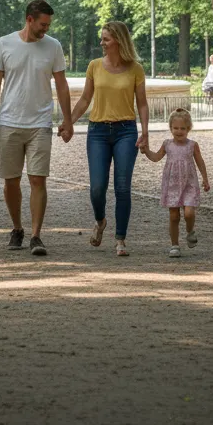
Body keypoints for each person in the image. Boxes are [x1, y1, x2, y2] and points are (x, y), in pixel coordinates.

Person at [0, 0, 72, 256]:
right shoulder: (4, 43)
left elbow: (62, 85)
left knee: (37, 179)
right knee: (11, 182)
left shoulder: (53, 46)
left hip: (40, 123)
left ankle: (35, 235)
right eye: (42, 24)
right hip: (9, 121)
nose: (46, 29)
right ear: (29, 19)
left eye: (48, 25)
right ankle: (17, 228)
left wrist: (67, 120)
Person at [69, 20, 148, 256]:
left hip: (126, 131)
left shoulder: (135, 69)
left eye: (106, 39)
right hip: (98, 132)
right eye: (102, 38)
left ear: (118, 41)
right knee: (97, 187)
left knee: (122, 187)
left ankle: (120, 239)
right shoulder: (94, 66)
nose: (101, 43)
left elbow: (142, 104)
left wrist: (145, 132)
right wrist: (67, 122)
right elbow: (85, 100)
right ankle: (100, 221)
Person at [141, 108, 210, 258]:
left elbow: (200, 162)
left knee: (189, 212)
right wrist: (146, 151)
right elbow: (156, 157)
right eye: (176, 128)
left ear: (188, 129)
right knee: (173, 216)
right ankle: (174, 245)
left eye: (182, 128)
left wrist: (205, 178)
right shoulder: (167, 144)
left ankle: (190, 231)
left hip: (189, 184)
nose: (179, 131)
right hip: (171, 185)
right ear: (170, 128)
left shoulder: (192, 145)